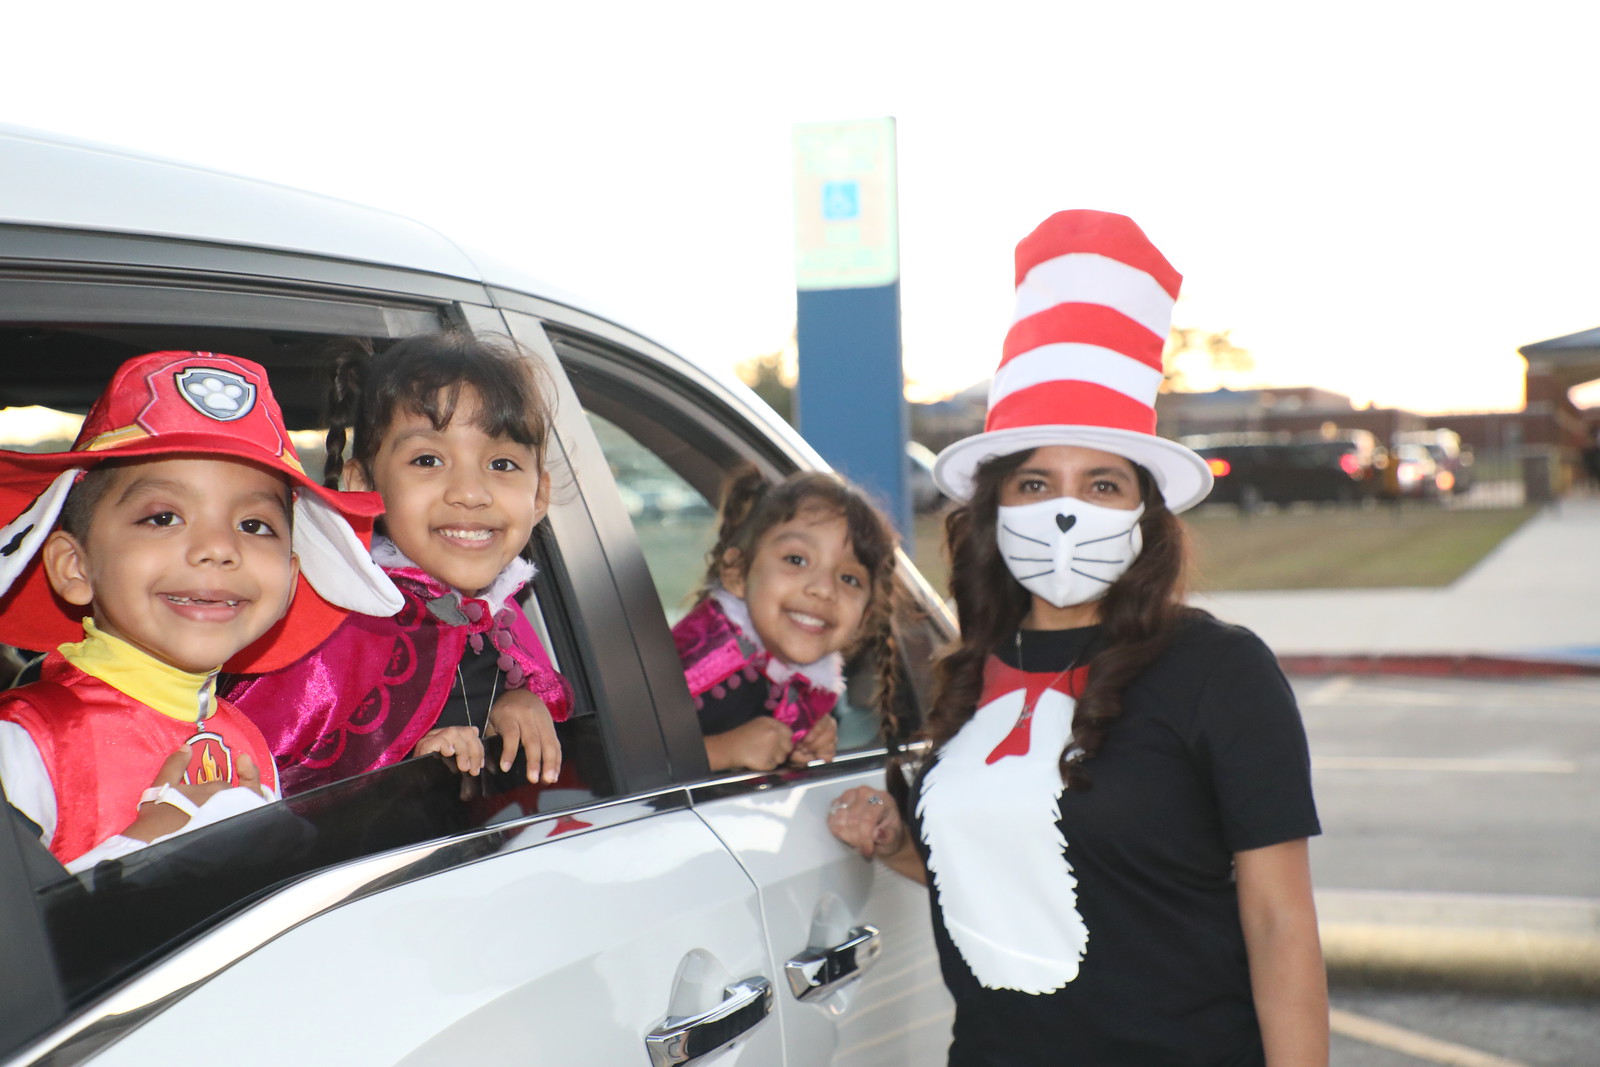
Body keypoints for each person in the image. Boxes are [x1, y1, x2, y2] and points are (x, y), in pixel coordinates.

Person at [827, 211, 1329, 1065]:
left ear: (1144, 510)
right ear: (995, 509)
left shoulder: (1218, 669)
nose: (1066, 510)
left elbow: (1280, 921)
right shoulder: (964, 673)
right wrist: (896, 840)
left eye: (1101, 482)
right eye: (1035, 481)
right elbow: (1006, 875)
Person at [0, 350, 401, 872]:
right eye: (164, 517)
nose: (217, 548)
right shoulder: (26, 742)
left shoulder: (246, 737)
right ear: (74, 567)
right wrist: (145, 851)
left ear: (290, 579)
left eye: (254, 526)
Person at [228, 332, 571, 794]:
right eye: (428, 459)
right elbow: (264, 786)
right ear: (362, 485)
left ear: (540, 495)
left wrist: (521, 700)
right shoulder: (337, 632)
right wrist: (408, 770)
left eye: (503, 464)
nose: (470, 493)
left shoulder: (500, 617)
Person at [673, 467, 899, 772]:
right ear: (737, 573)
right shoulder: (700, 656)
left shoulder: (809, 685)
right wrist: (722, 751)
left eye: (849, 578)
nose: (823, 589)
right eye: (796, 560)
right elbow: (603, 758)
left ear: (864, 617)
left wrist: (804, 742)